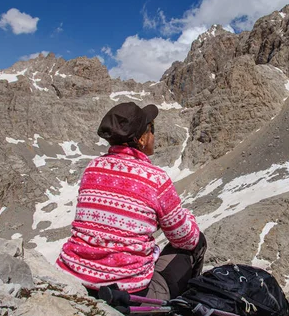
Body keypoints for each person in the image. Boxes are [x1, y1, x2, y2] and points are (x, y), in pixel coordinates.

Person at [57, 102, 206, 304]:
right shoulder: (155, 179)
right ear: (142, 139)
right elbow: (186, 239)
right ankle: (181, 307)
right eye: (151, 130)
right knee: (197, 242)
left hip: (76, 279)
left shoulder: (93, 168)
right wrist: (188, 218)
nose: (154, 136)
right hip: (129, 294)